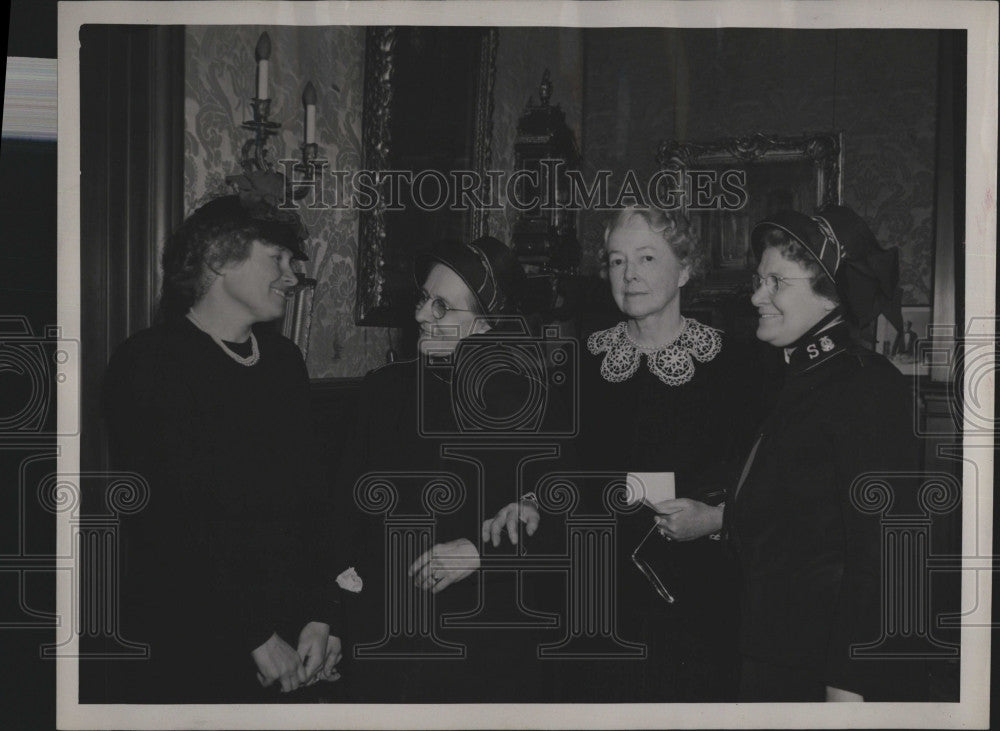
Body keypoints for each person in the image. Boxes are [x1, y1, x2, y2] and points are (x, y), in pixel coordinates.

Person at [485, 205, 764, 702]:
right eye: (616, 261)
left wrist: (718, 518)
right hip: (594, 595)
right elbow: (557, 464)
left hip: (694, 599)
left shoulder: (737, 366)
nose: (630, 274)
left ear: (685, 269)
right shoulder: (581, 362)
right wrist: (534, 499)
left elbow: (765, 483)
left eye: (647, 258)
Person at [93, 173, 345, 702]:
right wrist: (254, 636)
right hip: (195, 638)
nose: (292, 277)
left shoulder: (282, 361)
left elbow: (315, 500)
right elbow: (169, 522)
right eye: (276, 259)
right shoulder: (149, 362)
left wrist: (322, 616)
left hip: (292, 634)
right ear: (220, 261)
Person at [332, 236, 575, 702]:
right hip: (383, 638)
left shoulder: (530, 398)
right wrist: (331, 622)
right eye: (424, 298)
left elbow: (563, 517)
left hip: (484, 644)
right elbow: (343, 516)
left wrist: (482, 554)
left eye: (443, 307)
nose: (422, 314)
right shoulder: (382, 391)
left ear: (487, 324)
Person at [728, 205, 925, 701]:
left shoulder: (868, 387)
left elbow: (884, 555)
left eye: (776, 282)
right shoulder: (795, 378)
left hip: (823, 670)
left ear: (830, 295)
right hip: (772, 650)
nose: (757, 296)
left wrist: (847, 686)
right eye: (758, 279)